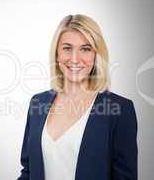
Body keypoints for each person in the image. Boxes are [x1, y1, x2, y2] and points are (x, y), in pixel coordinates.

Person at [17, 14, 138, 180]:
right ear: (57, 54)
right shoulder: (38, 103)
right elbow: (28, 171)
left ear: (96, 55)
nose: (75, 58)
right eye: (67, 48)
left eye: (85, 49)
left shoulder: (119, 110)